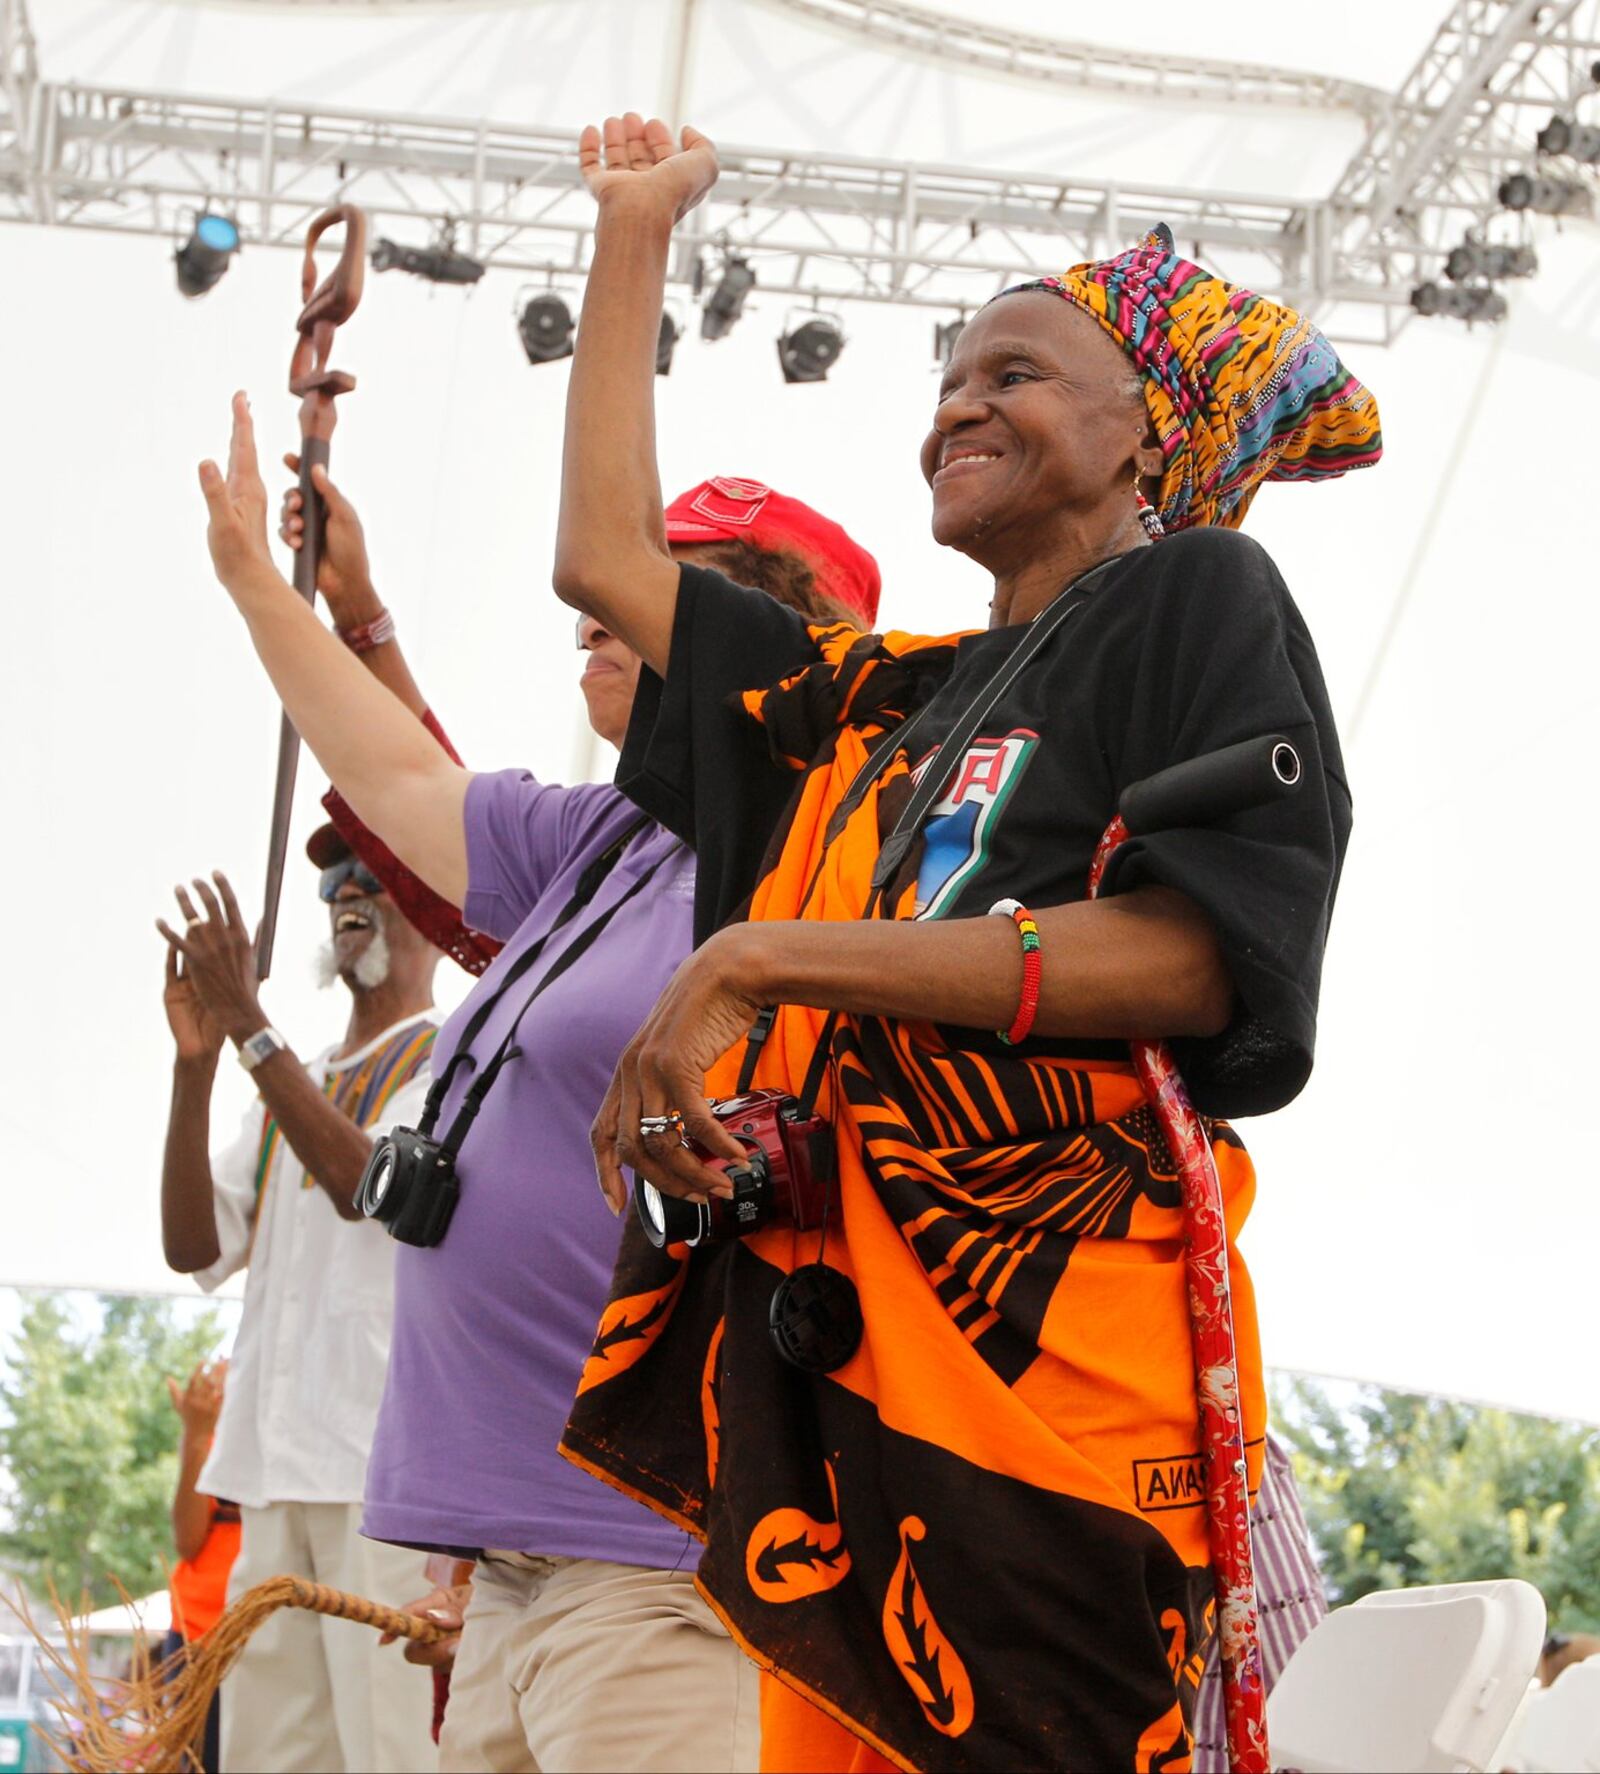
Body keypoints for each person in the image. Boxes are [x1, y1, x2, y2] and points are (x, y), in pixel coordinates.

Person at [548, 115, 1382, 1773]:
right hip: (837, 1388)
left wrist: (758, 963)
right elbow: (605, 561)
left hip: (1054, 1396)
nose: (960, 402)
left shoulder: (1194, 598)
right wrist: (634, 226)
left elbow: (1193, 958)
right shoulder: (882, 692)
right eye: (947, 379)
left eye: (1018, 370)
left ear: (1149, 431)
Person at [192, 398, 879, 1772]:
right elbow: (393, 773)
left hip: (664, 1556)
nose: (595, 612)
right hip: (509, 1560)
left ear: (771, 650)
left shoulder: (827, 868)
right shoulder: (605, 838)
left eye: (656, 587)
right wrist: (260, 593)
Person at [157, 835, 441, 1773]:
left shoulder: (454, 1061)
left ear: (435, 912)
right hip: (272, 1470)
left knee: (390, 1753)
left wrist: (246, 1026)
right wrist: (196, 1067)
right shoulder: (295, 1077)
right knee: (269, 1758)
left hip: (379, 1482)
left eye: (377, 873)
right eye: (334, 878)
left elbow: (367, 1184)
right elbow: (194, 1248)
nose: (349, 890)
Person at [162, 1359, 240, 1774]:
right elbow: (188, 1541)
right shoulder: (210, 1442)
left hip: (273, 1632)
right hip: (199, 1638)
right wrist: (195, 1432)